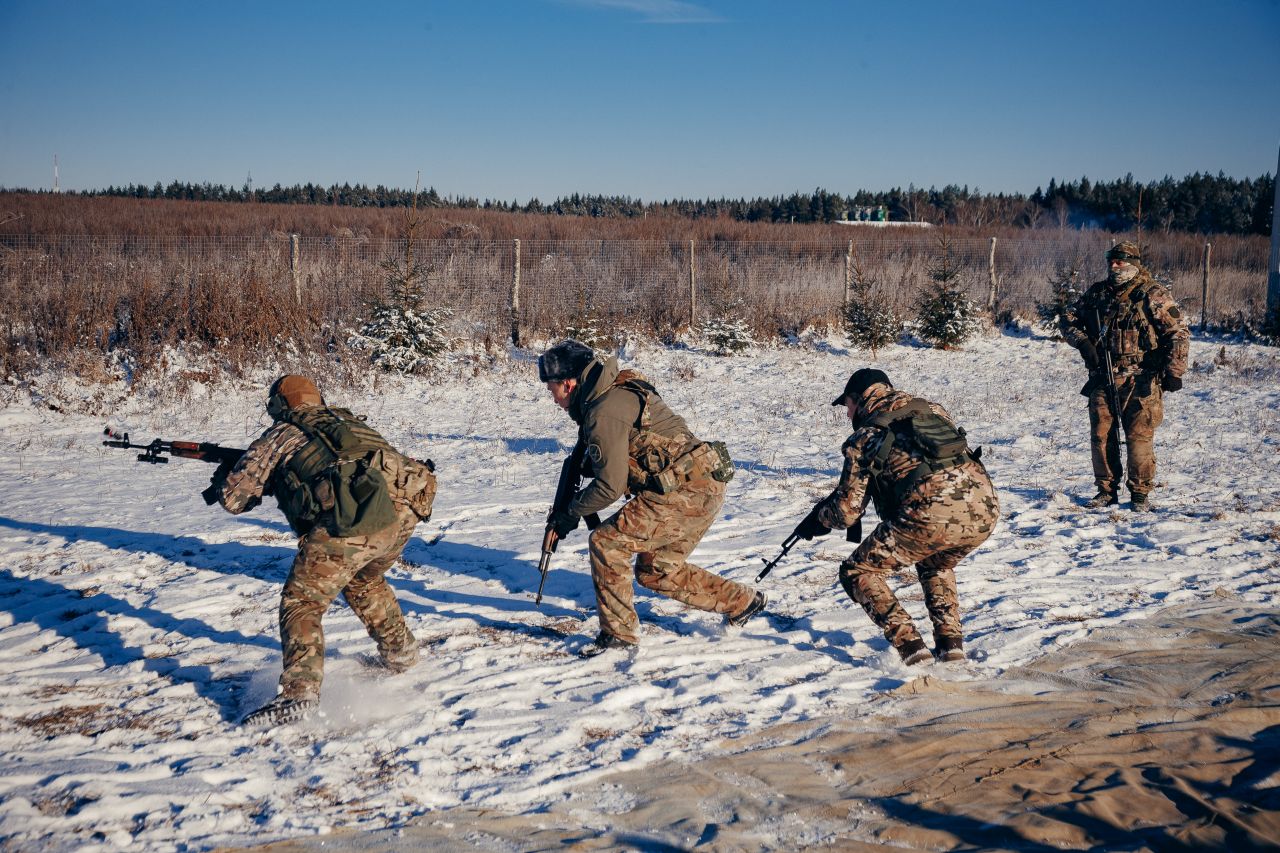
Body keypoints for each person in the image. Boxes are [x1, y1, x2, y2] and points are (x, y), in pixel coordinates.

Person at [213, 375, 437, 727]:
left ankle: (299, 694)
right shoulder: (346, 422)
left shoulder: (283, 433)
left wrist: (229, 475)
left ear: (280, 405)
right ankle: (402, 653)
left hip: (354, 520)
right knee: (365, 581)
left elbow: (234, 499)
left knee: (302, 601)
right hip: (401, 516)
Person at [538, 340, 766, 657]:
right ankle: (741, 601)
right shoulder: (614, 388)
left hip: (685, 492)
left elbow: (610, 486)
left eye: (551, 389)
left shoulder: (603, 412)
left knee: (606, 542)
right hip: (704, 485)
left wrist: (571, 512)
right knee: (655, 570)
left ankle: (619, 636)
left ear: (568, 383)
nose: (552, 398)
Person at [795, 368, 999, 665]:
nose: (847, 413)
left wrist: (820, 520)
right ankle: (951, 647)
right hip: (984, 508)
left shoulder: (865, 436)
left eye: (847, 405)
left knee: (858, 571)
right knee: (936, 563)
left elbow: (846, 512)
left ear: (859, 398)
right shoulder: (932, 409)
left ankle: (912, 650)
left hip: (929, 514)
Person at [1060, 241, 1190, 511]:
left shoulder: (1152, 294)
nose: (1114, 265)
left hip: (1140, 378)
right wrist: (1083, 343)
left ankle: (1140, 494)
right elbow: (1068, 317)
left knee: (1139, 437)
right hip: (1103, 376)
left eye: (1120, 261)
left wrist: (1174, 371)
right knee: (1101, 436)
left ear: (1134, 263)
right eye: (1111, 260)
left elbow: (1178, 333)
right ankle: (1106, 491)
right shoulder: (1098, 293)